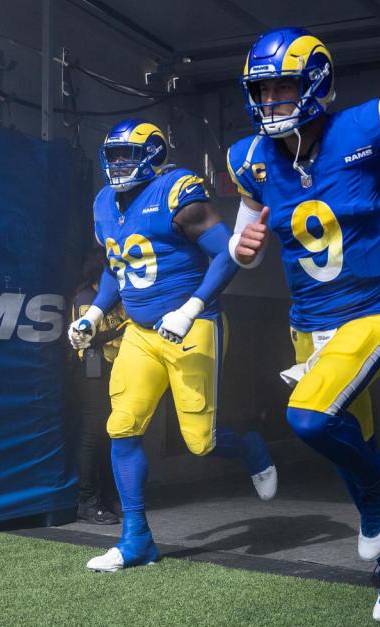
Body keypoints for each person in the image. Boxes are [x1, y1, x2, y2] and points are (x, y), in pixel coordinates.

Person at [228, 28, 380, 622]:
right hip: (309, 324)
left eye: (282, 89)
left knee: (309, 419)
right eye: (262, 92)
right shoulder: (251, 158)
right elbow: (244, 245)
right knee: (348, 448)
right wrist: (243, 245)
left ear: (314, 85)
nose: (270, 103)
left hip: (372, 310)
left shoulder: (366, 127)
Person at [69, 119, 277, 573]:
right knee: (121, 427)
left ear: (153, 153)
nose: (118, 163)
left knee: (199, 443)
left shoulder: (178, 193)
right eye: (113, 155)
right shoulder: (104, 202)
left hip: (193, 322)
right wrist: (93, 313)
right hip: (140, 334)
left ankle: (250, 448)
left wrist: (191, 307)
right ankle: (136, 539)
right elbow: (116, 262)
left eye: (128, 154)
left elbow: (229, 254)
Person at [70, 248, 127, 525]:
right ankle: (87, 501)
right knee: (93, 436)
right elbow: (84, 338)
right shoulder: (86, 298)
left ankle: (108, 497)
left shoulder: (117, 298)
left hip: (116, 370)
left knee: (110, 435)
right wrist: (119, 331)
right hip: (92, 370)